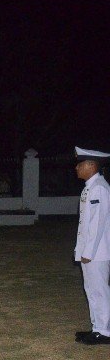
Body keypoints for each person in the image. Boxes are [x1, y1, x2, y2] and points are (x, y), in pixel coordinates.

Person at [73, 146, 110, 345]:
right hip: (91, 251)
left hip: (97, 252)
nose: (76, 168)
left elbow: (97, 224)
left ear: (91, 165)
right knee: (91, 290)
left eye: (80, 164)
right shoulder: (91, 187)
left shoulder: (99, 188)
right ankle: (97, 328)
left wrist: (88, 252)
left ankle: (104, 331)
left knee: (99, 291)